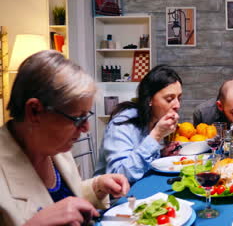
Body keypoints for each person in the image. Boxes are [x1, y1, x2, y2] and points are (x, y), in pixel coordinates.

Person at [0, 50, 129, 226]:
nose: (86, 128)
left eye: (87, 116)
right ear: (34, 111)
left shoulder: (54, 147)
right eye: (78, 118)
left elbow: (60, 202)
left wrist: (97, 186)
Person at [95, 65, 182, 183]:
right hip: (114, 198)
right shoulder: (122, 123)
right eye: (169, 99)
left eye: (179, 98)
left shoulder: (154, 119)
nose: (177, 105)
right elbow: (118, 177)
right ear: (150, 100)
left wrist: (162, 154)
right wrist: (155, 136)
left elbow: (142, 163)